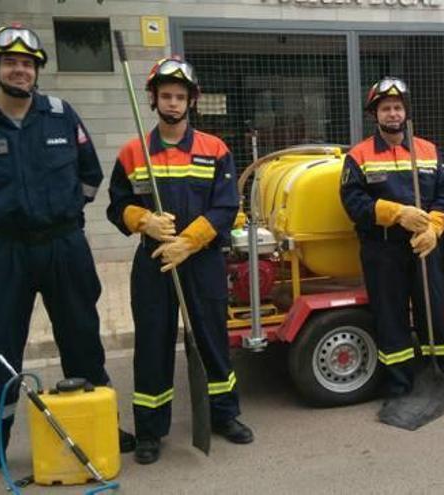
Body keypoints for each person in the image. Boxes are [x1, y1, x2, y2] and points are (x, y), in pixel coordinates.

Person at [0, 24, 134, 491]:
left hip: (63, 245)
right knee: (1, 354)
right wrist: (2, 221)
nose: (20, 70)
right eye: (10, 62)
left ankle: (99, 426)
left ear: (36, 71)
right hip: (4, 251)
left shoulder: (60, 114)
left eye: (27, 64)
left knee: (82, 340)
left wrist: (64, 213)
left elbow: (90, 176)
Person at [107, 57, 253, 465]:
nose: (173, 103)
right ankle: (151, 430)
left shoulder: (214, 149)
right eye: (166, 96)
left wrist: (189, 242)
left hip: (201, 260)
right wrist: (144, 221)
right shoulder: (133, 151)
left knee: (212, 339)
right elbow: (117, 205)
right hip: (153, 261)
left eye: (180, 96)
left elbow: (226, 206)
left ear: (191, 101)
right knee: (152, 345)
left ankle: (225, 415)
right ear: (153, 99)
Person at [339, 77, 444, 407]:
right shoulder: (359, 155)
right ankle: (399, 383)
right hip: (382, 249)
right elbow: (353, 202)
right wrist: (396, 213)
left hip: (424, 245)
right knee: (390, 316)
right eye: (386, 108)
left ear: (406, 111)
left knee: (433, 313)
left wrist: (435, 228)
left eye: (398, 107)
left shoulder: (428, 150)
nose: (393, 113)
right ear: (376, 114)